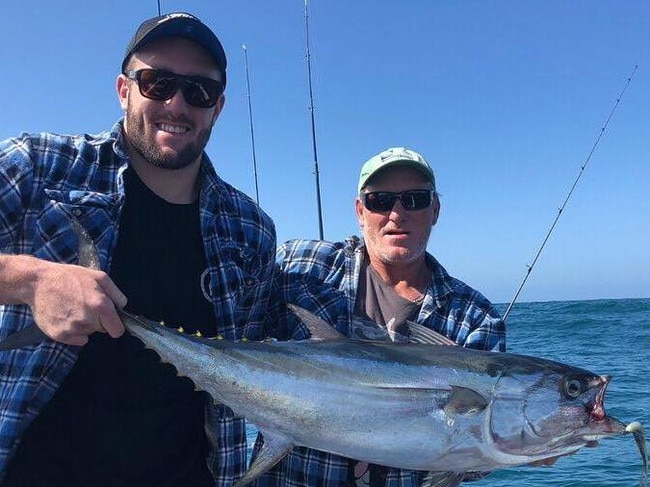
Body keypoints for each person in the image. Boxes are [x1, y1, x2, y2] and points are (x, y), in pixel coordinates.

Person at [0, 12, 276, 487]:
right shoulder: (40, 166)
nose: (177, 103)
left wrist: (371, 434)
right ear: (124, 89)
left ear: (218, 108)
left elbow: (264, 372)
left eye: (199, 92)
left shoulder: (250, 229)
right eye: (157, 82)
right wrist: (32, 281)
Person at [253, 147, 506, 487]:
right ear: (361, 211)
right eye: (381, 201)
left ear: (435, 210)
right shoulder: (304, 264)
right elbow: (232, 310)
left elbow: (474, 458)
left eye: (414, 199)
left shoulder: (475, 318)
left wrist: (529, 443)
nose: (397, 214)